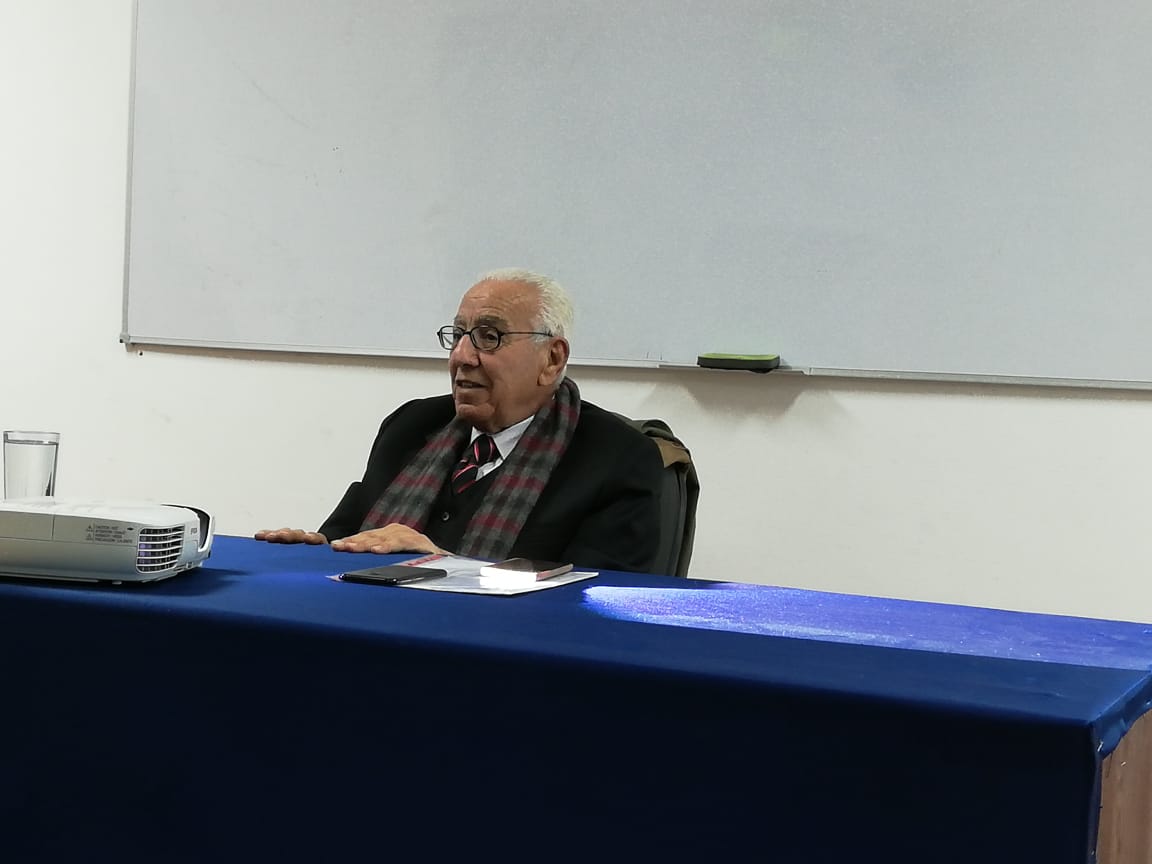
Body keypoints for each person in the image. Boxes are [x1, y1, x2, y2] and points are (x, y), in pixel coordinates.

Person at [255, 268, 664, 572]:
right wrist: (312, 548)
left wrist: (443, 566)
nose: (462, 357)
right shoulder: (411, 426)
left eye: (489, 337)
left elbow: (590, 604)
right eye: (458, 335)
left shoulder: (618, 459)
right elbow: (348, 534)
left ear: (552, 359)